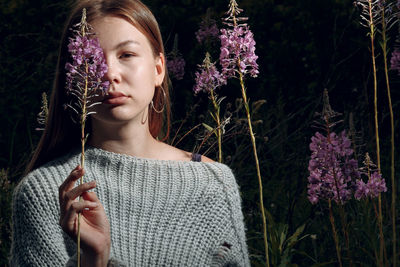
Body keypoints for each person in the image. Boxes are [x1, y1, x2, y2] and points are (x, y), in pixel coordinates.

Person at [10, 0, 250, 266]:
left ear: (159, 69)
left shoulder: (214, 183)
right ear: (73, 79)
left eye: (126, 55)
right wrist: (93, 259)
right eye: (91, 60)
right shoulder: (44, 193)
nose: (110, 74)